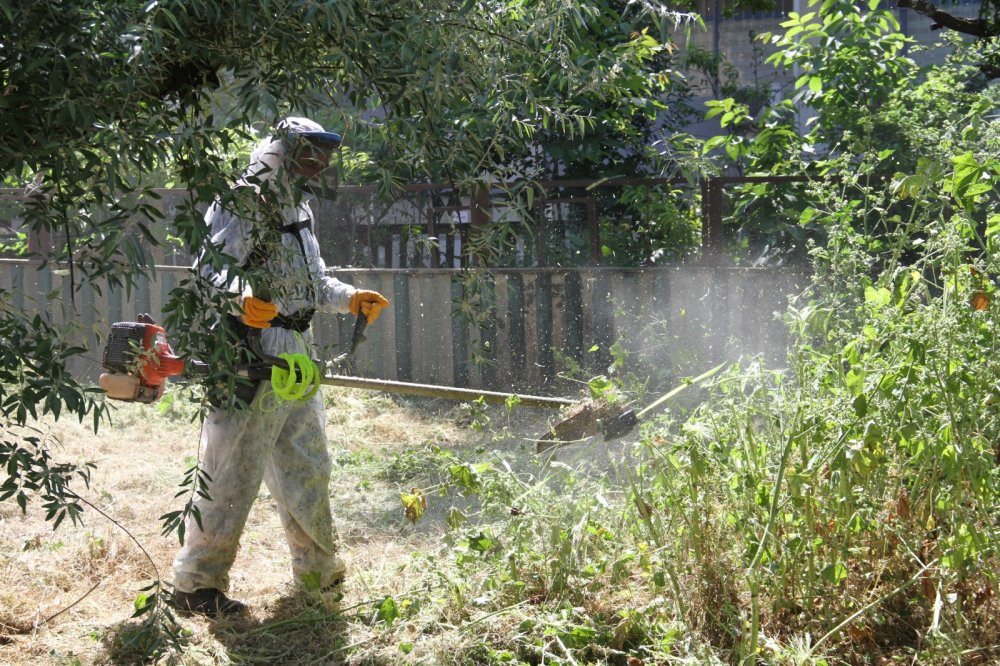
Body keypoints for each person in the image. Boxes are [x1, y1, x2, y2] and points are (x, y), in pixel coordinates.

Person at [171, 117, 390, 617]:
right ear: (282, 152)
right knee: (232, 473)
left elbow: (313, 281)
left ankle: (318, 577)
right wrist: (242, 298)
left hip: (296, 351)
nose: (316, 165)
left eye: (321, 156)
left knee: (309, 466)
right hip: (249, 349)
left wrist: (350, 298)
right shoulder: (241, 201)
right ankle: (196, 586)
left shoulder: (300, 208)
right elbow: (210, 270)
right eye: (308, 154)